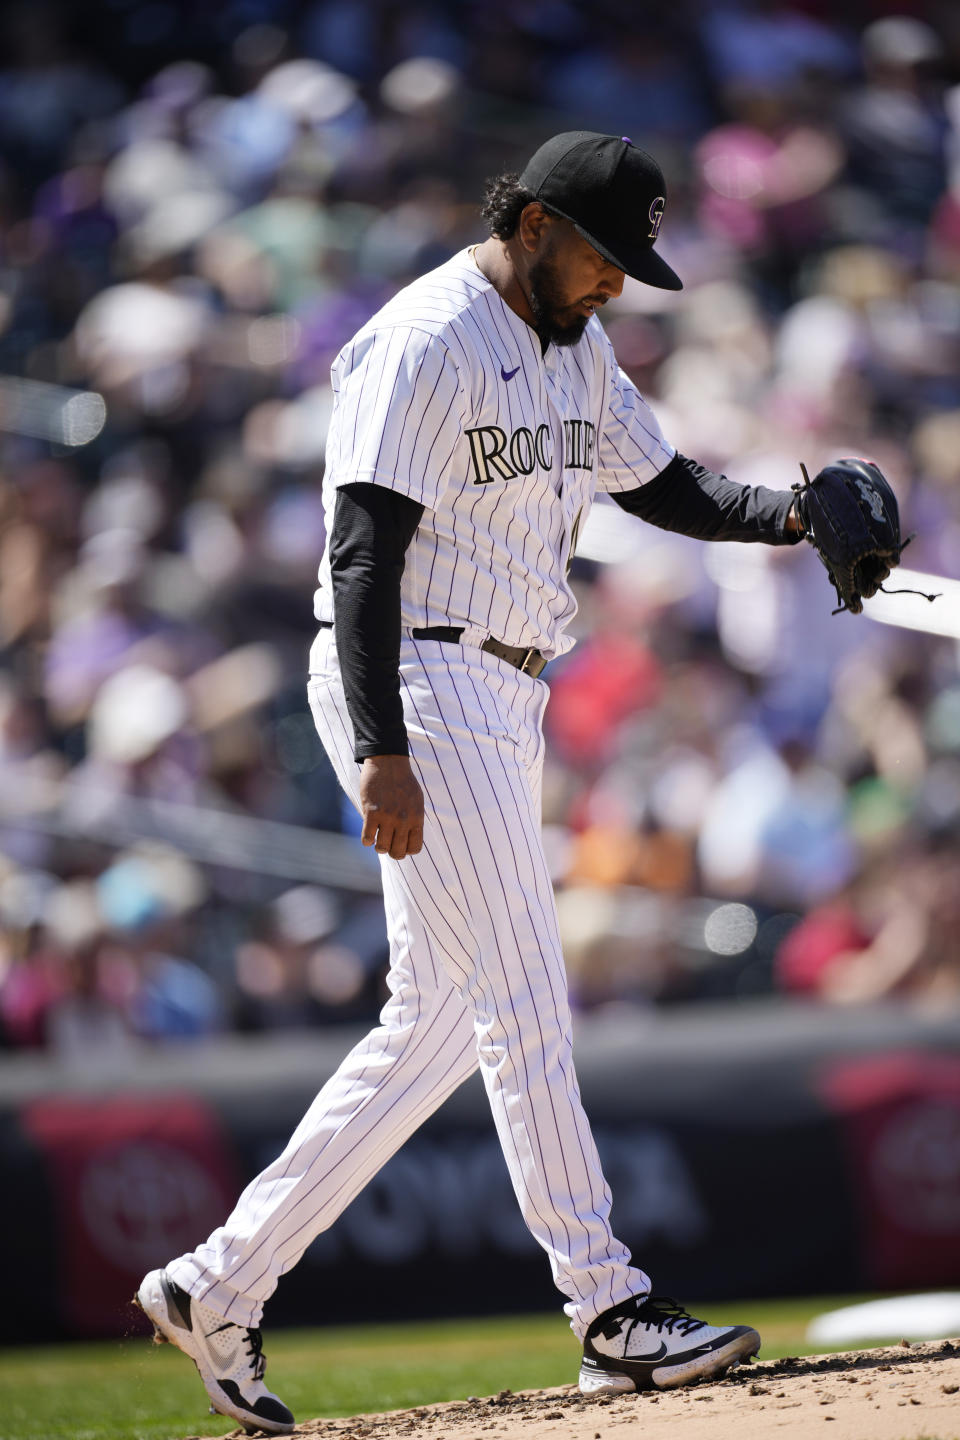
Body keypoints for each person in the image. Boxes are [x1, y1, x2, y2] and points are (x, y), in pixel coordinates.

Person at [137, 131, 805, 1435]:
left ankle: (215, 1285)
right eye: (608, 256)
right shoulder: (427, 336)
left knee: (439, 1024)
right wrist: (382, 746)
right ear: (542, 224)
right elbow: (361, 550)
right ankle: (609, 1310)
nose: (619, 284)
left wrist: (789, 512)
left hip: (505, 688)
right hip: (421, 678)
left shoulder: (579, 344)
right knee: (522, 990)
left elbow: (664, 487)